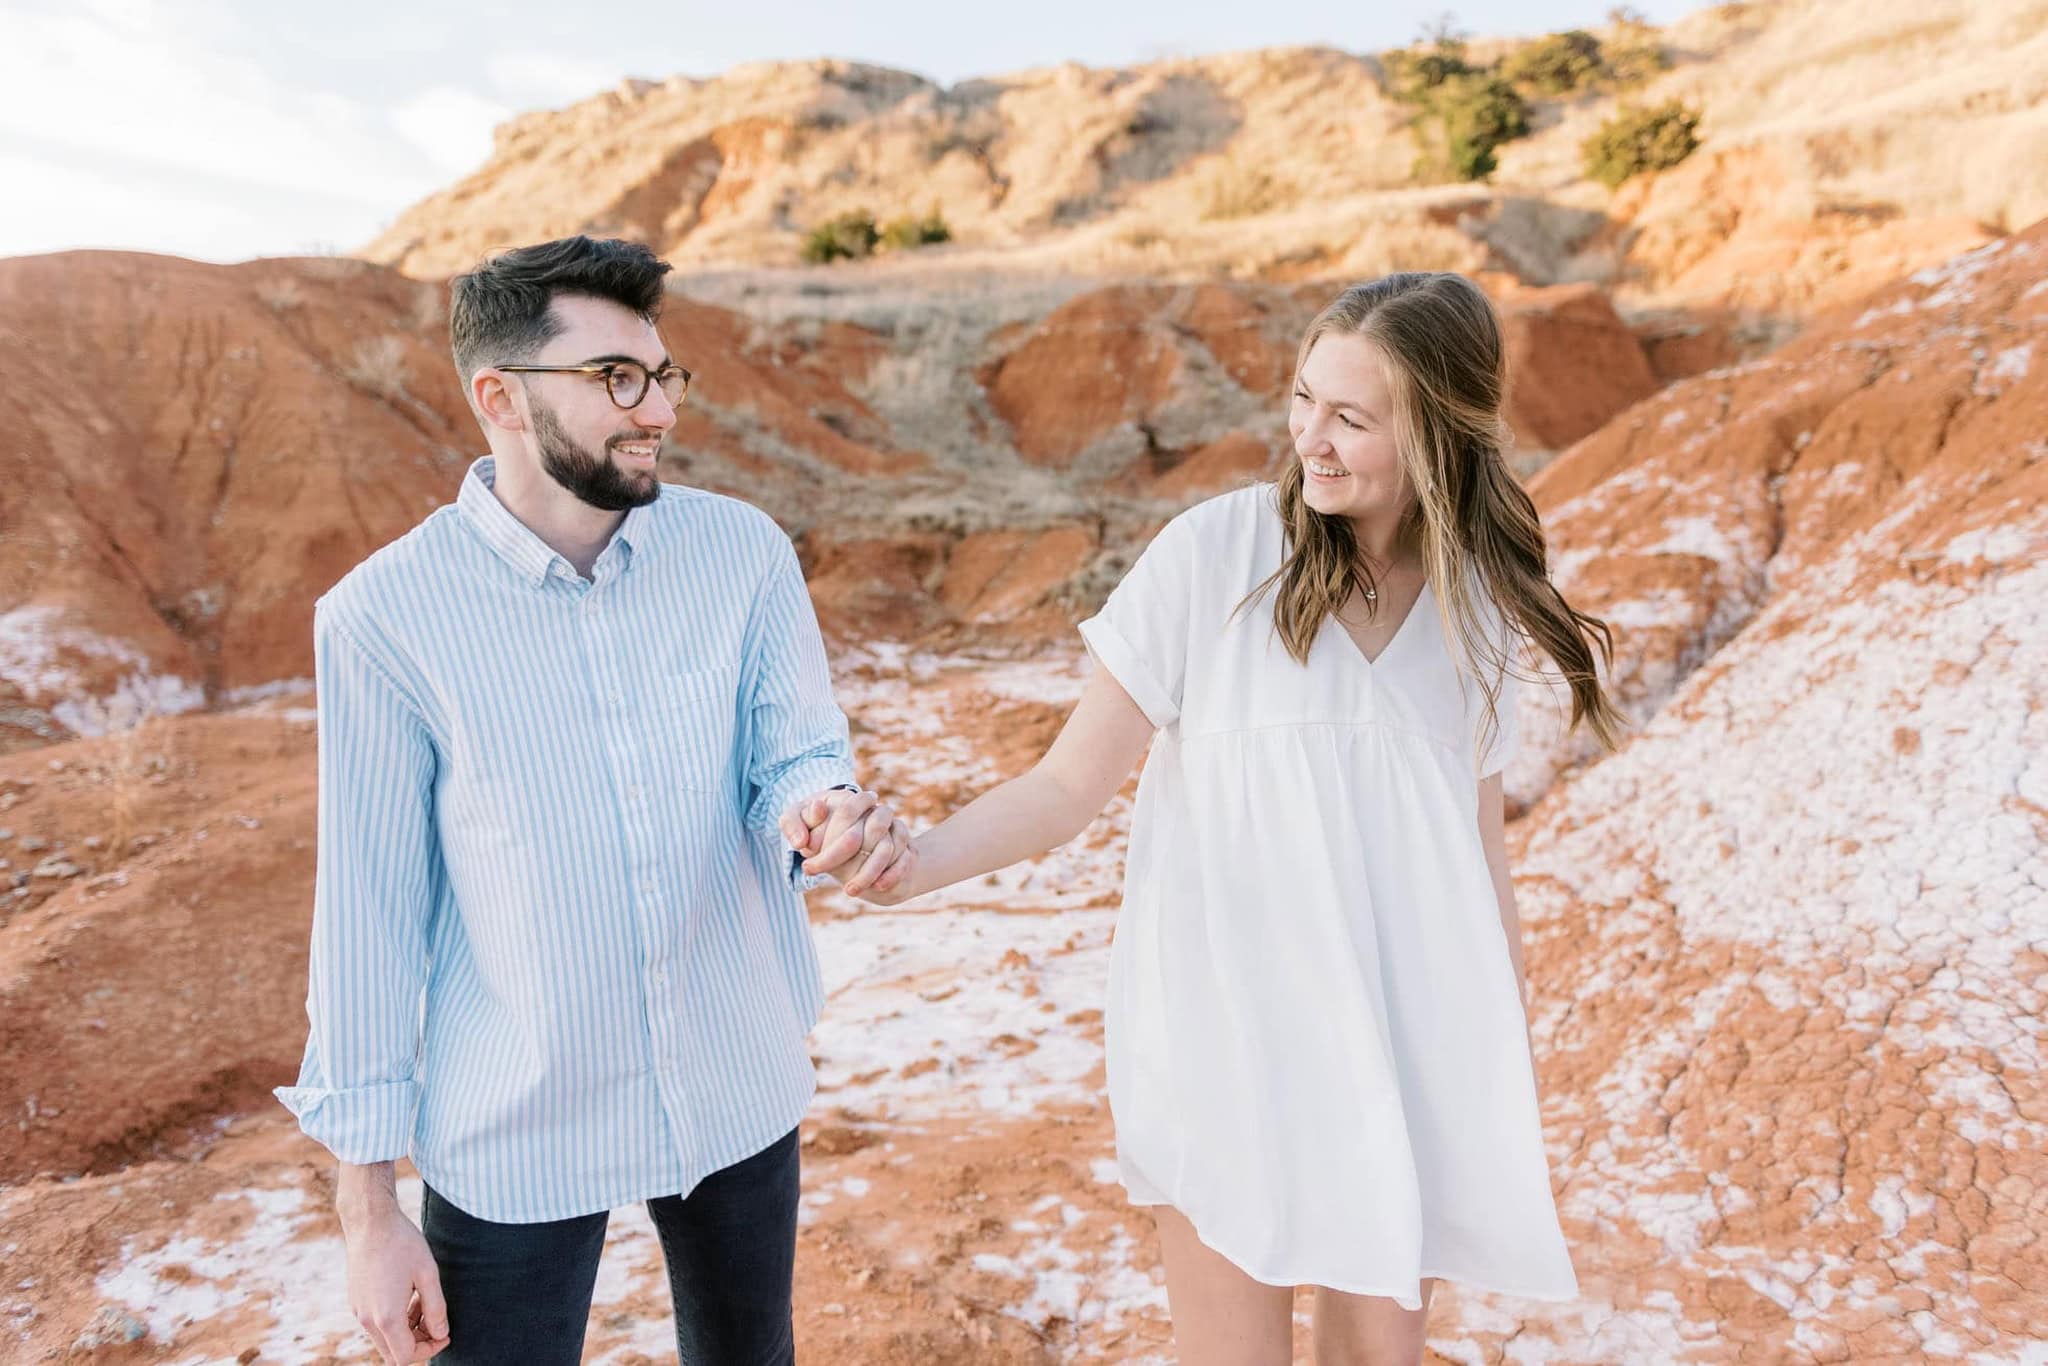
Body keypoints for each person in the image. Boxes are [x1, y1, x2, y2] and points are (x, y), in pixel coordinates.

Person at [803, 272, 1625, 1365]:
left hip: (1401, 1045)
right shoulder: (1214, 556)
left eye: (1349, 417)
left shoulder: (1471, 609)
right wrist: (916, 865)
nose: (1309, 441)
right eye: (1301, 401)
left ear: (1437, 431)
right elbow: (1063, 786)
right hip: (1226, 1039)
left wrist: (1492, 1060)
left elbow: (1474, 859)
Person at [276, 235, 910, 1366]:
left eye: (662, 376)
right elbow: (367, 921)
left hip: (731, 1069)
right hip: (511, 1114)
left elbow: (797, 754)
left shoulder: (742, 554)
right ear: (500, 398)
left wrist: (823, 807)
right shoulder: (382, 618)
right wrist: (368, 1215)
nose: (657, 409)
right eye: (617, 378)